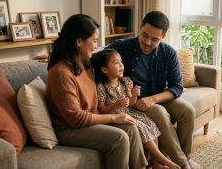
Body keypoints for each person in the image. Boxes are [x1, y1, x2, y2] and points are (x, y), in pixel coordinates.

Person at [45, 14, 147, 169]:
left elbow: (107, 60)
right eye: (94, 40)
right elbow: (75, 118)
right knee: (119, 138)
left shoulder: (84, 62)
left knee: (131, 127)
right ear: (79, 42)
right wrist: (113, 118)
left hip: (91, 119)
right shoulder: (61, 73)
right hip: (68, 129)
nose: (96, 45)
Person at [107, 11, 200, 169]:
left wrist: (153, 99)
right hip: (134, 102)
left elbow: (176, 86)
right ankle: (183, 165)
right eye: (145, 35)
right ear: (140, 27)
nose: (148, 42)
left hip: (158, 96)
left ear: (163, 36)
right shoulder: (122, 47)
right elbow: (98, 60)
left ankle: (185, 157)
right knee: (160, 113)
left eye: (154, 39)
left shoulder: (168, 52)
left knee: (187, 110)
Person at [91, 49, 180, 169]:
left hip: (128, 112)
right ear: (104, 69)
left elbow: (131, 104)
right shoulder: (101, 87)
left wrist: (134, 95)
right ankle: (162, 158)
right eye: (116, 63)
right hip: (115, 117)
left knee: (150, 123)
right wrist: (117, 105)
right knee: (141, 127)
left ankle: (155, 162)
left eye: (121, 62)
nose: (121, 65)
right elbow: (101, 110)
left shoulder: (124, 81)